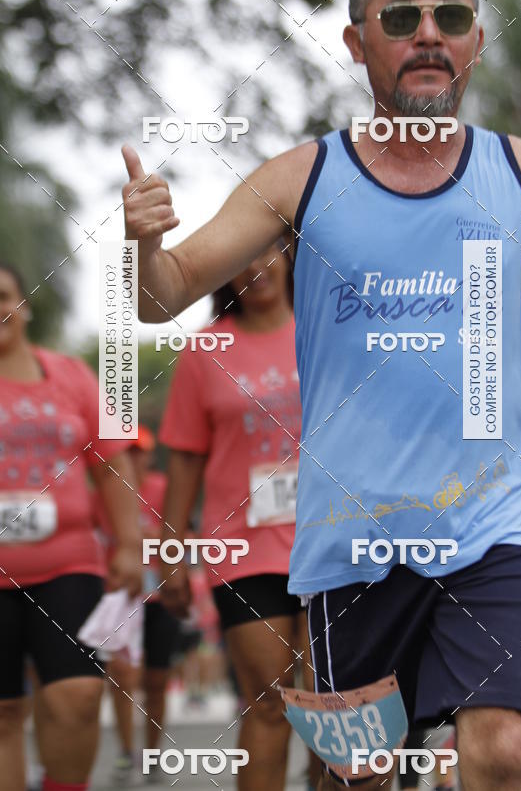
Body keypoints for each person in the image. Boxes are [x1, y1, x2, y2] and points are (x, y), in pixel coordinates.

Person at [120, 0, 521, 791]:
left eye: (449, 19)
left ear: (475, 42)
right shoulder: (301, 180)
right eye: (401, 18)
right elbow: (165, 295)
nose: (427, 36)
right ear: (355, 43)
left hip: (491, 526)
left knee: (501, 749)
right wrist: (146, 246)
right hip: (353, 544)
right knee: (358, 775)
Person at [158, 242, 320, 791]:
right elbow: (185, 458)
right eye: (241, 256)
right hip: (244, 551)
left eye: (267, 252)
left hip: (337, 543)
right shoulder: (206, 352)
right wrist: (172, 551)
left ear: (291, 256)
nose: (256, 267)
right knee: (269, 702)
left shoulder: (329, 329)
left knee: (336, 709)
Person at [0, 263, 142, 791]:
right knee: (5, 712)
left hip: (69, 564)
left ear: (25, 304)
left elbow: (113, 463)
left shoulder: (72, 375)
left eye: (3, 295)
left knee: (78, 696)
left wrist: (128, 544)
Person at [91, 425, 180, 786]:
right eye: (126, 451)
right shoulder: (104, 494)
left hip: (160, 595)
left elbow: (184, 536)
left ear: (150, 454)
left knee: (156, 681)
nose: (133, 458)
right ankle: (129, 753)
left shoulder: (163, 489)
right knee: (122, 676)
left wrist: (153, 538)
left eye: (139, 451)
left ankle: (153, 756)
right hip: (120, 596)